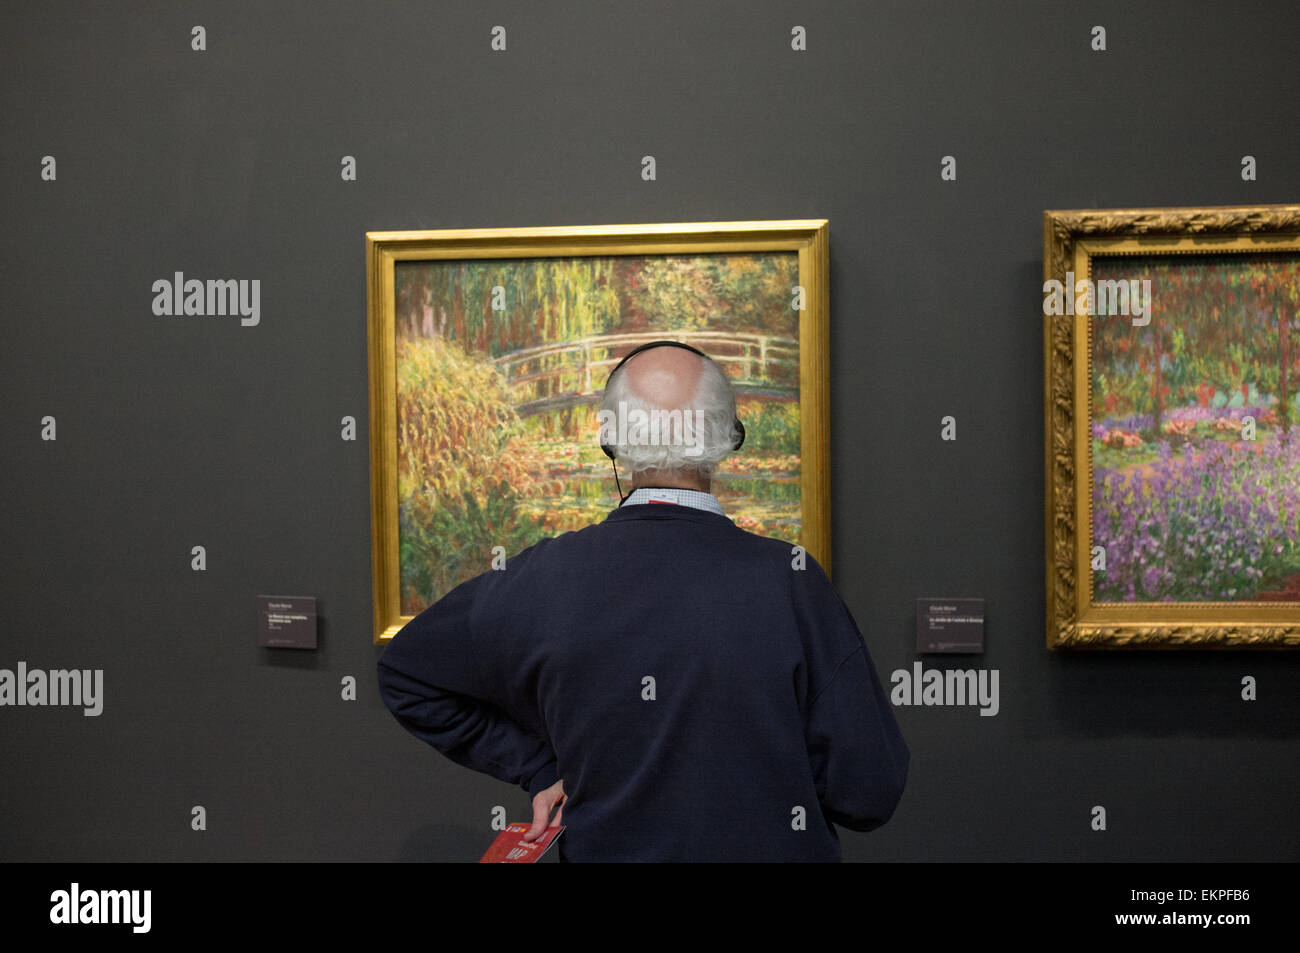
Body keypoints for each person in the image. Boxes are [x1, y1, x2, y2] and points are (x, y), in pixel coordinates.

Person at [377, 340, 909, 861]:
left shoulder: (540, 578)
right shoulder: (792, 582)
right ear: (729, 437)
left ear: (610, 441)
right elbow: (868, 793)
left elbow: (406, 671)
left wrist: (541, 769)